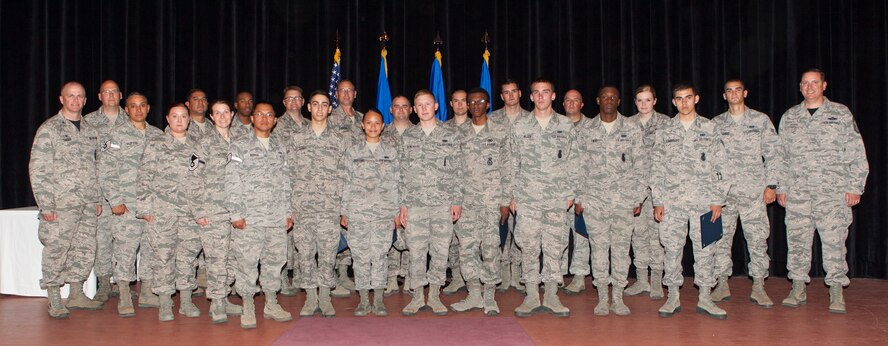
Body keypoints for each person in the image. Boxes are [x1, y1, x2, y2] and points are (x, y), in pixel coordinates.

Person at [777, 68, 868, 313]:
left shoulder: (840, 114)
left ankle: (836, 291)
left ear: (824, 85)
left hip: (832, 194)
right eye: (805, 83)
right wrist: (781, 187)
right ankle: (797, 288)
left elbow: (856, 152)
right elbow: (781, 157)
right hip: (798, 193)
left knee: (834, 243)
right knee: (796, 242)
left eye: (814, 82)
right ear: (800, 87)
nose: (809, 87)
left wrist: (854, 186)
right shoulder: (790, 117)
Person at [651, 82, 729, 320]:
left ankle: (705, 297)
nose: (684, 102)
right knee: (672, 249)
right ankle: (672, 296)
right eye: (679, 99)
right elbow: (657, 168)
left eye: (688, 97)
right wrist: (658, 200)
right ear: (673, 102)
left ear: (696, 99)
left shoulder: (710, 128)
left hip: (704, 203)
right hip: (673, 203)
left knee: (707, 249)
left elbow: (722, 165)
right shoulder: (664, 131)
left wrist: (718, 199)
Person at [30, 81, 105, 318]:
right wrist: (46, 204)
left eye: (79, 96)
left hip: (87, 203)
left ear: (85, 101)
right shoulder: (49, 129)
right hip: (61, 204)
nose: (75, 100)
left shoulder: (91, 130)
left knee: (84, 248)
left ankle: (76, 293)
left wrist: (97, 198)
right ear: (61, 99)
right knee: (56, 249)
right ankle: (54, 297)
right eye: (70, 96)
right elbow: (38, 169)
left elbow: (97, 167)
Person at [711, 79, 786, 307]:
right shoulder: (715, 124)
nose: (734, 94)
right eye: (729, 91)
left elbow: (774, 154)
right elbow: (709, 162)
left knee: (757, 239)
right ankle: (722, 283)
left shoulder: (760, 121)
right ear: (724, 96)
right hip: (723, 195)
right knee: (718, 239)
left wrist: (772, 185)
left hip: (754, 192)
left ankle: (758, 286)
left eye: (737, 90)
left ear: (745, 93)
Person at [574, 86, 646, 316]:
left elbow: (642, 166)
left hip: (624, 202)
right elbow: (577, 166)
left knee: (622, 251)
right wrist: (579, 198)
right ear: (597, 100)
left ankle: (618, 297)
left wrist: (638, 197)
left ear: (619, 101)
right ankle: (603, 298)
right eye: (604, 96)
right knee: (598, 250)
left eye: (613, 97)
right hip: (594, 202)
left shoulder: (632, 129)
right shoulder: (586, 130)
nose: (608, 100)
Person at [509, 78, 577, 317]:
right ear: (530, 97)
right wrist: (511, 196)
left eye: (545, 92)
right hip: (527, 198)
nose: (540, 97)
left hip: (556, 199)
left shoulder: (566, 126)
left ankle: (551, 295)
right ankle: (530, 295)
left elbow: (574, 162)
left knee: (554, 246)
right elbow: (511, 164)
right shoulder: (519, 127)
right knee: (528, 246)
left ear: (553, 96)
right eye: (536, 93)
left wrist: (570, 194)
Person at [226, 102, 295, 328]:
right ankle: (247, 304)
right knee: (247, 262)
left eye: (269, 114)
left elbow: (286, 183)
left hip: (275, 218)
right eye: (260, 114)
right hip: (250, 218)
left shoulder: (280, 147)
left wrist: (287, 212)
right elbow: (232, 182)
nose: (265, 118)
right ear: (252, 118)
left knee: (274, 262)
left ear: (275, 120)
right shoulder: (239, 146)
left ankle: (271, 302)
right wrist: (236, 213)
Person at [135, 103, 205, 322]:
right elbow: (144, 178)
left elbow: (202, 181)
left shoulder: (198, 146)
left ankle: (185, 301)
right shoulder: (156, 144)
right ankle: (165, 303)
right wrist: (145, 209)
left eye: (183, 116)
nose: (179, 120)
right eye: (174, 116)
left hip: (189, 213)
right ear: (167, 118)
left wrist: (202, 210)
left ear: (189, 120)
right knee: (163, 257)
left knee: (187, 257)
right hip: (162, 212)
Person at [398, 90, 464, 316]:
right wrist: (403, 204)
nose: (424, 109)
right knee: (416, 251)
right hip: (415, 205)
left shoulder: (451, 134)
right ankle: (417, 296)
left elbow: (458, 171)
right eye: (419, 105)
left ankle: (435, 295)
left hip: (442, 204)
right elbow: (401, 173)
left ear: (436, 106)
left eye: (428, 104)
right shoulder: (408, 137)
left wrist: (456, 201)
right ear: (414, 110)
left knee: (440, 250)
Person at [98, 92, 163, 317]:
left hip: (152, 206)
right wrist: (115, 201)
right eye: (133, 106)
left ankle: (146, 291)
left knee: (150, 249)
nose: (137, 110)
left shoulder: (158, 135)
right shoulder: (115, 135)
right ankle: (124, 294)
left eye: (142, 105)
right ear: (126, 110)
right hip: (127, 205)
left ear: (148, 108)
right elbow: (105, 170)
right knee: (125, 250)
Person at [290, 91, 353, 317]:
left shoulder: (339, 140)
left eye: (324, 105)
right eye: (315, 104)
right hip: (303, 209)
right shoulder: (296, 139)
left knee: (327, 255)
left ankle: (325, 297)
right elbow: (288, 175)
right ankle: (310, 298)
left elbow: (347, 176)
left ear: (329, 109)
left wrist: (344, 209)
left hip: (329, 209)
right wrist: (290, 209)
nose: (319, 109)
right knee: (305, 255)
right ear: (308, 107)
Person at [449, 88, 511, 316]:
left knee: (491, 248)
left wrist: (505, 200)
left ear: (488, 104)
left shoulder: (501, 131)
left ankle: (489, 296)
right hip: (465, 203)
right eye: (470, 102)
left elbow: (508, 167)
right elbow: (453, 171)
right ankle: (474, 293)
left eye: (479, 101)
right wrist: (454, 201)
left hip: (492, 203)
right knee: (467, 249)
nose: (474, 105)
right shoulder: (458, 133)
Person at [339, 109, 400, 317]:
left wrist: (396, 212)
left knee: (380, 255)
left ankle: (380, 299)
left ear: (383, 126)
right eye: (369, 123)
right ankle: (364, 300)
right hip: (358, 213)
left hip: (383, 213)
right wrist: (344, 211)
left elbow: (396, 184)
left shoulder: (391, 152)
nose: (373, 127)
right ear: (362, 125)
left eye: (377, 123)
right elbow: (345, 182)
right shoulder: (352, 152)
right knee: (360, 256)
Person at [193, 100, 244, 323]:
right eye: (217, 113)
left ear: (232, 115)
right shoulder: (203, 143)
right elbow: (192, 178)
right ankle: (216, 302)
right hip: (213, 210)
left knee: (234, 257)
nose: (222, 116)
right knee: (216, 258)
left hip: (237, 210)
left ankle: (224, 295)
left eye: (226, 112)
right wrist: (198, 210)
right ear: (212, 117)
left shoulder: (241, 142)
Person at [624, 85, 671, 300]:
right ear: (635, 102)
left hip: (657, 191)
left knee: (656, 236)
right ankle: (641, 279)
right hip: (634, 190)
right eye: (640, 100)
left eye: (648, 100)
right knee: (637, 235)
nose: (643, 104)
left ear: (655, 101)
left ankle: (655, 281)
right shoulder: (626, 124)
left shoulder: (666, 124)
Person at [83, 80, 127, 303]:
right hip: (100, 194)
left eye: (114, 92)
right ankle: (103, 283)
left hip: (127, 192)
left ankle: (122, 283)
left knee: (124, 240)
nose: (110, 95)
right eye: (105, 92)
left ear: (121, 95)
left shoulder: (132, 120)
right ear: (99, 96)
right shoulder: (88, 122)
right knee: (102, 239)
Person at [489, 79, 530, 292]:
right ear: (501, 96)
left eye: (514, 91)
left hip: (526, 186)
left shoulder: (531, 119)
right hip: (498, 186)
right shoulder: (492, 120)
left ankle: (518, 272)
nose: (511, 95)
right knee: (500, 232)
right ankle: (503, 272)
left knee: (522, 232)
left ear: (520, 93)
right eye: (506, 92)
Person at [274, 85, 308, 296]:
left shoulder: (311, 125)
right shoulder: (276, 125)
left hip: (306, 189)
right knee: (284, 237)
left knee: (303, 237)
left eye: (297, 98)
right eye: (290, 99)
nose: (294, 102)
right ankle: (281, 279)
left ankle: (300, 276)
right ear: (284, 103)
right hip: (285, 187)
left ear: (303, 102)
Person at [560, 89, 592, 295]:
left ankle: (579, 276)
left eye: (576, 101)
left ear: (582, 104)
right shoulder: (555, 126)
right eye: (568, 101)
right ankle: (558, 275)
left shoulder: (593, 127)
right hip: (559, 192)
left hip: (585, 192)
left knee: (581, 235)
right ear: (562, 104)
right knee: (559, 235)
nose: (572, 104)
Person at [382, 95, 413, 296]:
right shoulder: (382, 134)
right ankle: (391, 278)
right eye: (396, 107)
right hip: (389, 191)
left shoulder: (419, 133)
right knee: (390, 234)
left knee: (412, 236)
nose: (400, 110)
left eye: (405, 106)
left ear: (411, 110)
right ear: (391, 110)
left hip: (413, 192)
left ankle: (411, 277)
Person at [442, 89, 470, 295]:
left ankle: (472, 278)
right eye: (456, 101)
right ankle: (457, 277)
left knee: (469, 240)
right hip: (448, 193)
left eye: (464, 101)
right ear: (451, 104)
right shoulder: (443, 129)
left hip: (473, 193)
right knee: (451, 240)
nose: (460, 105)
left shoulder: (478, 126)